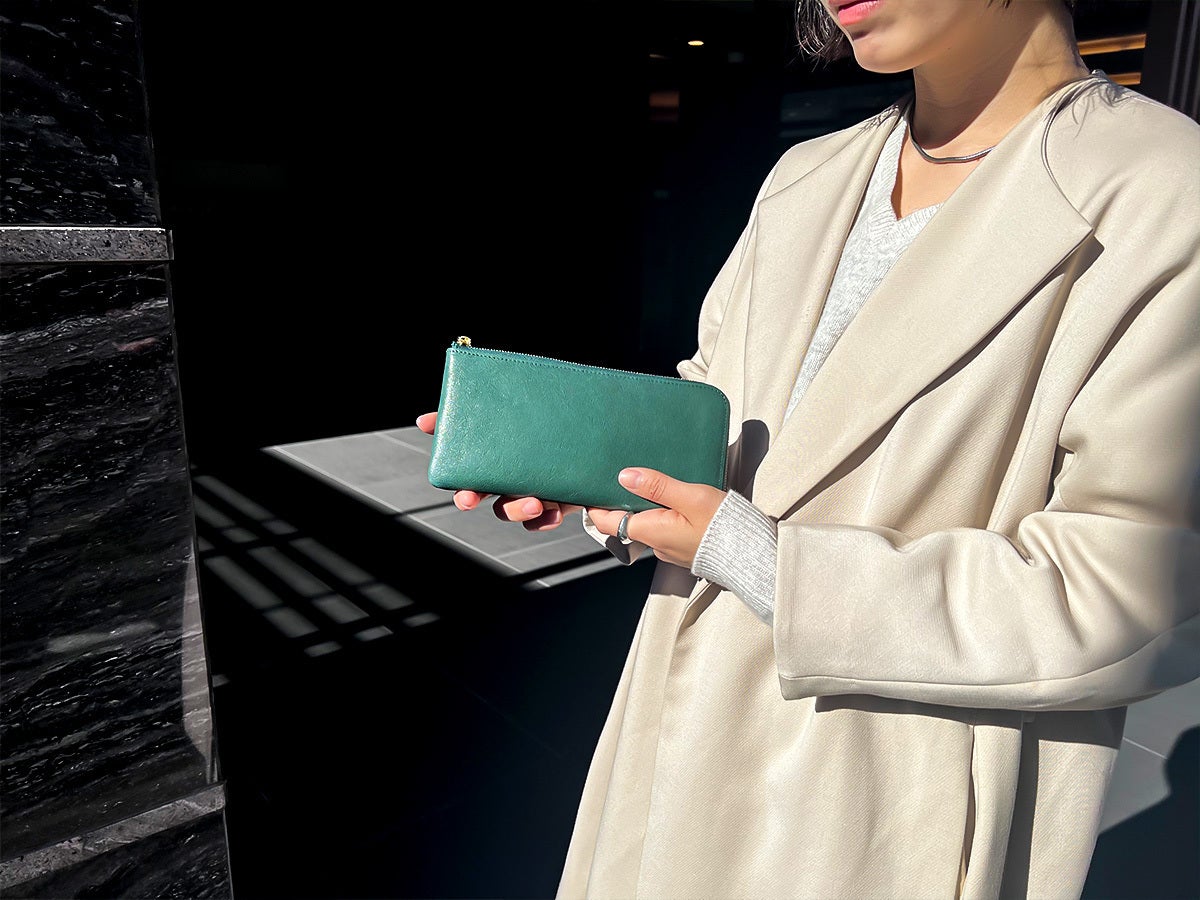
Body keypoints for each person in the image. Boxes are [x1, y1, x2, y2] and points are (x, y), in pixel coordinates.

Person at [417, 0, 1200, 895]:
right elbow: (721, 407)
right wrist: (599, 470)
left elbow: (1130, 590)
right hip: (681, 733)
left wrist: (762, 561)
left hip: (886, 796)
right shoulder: (809, 174)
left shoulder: (1163, 189)